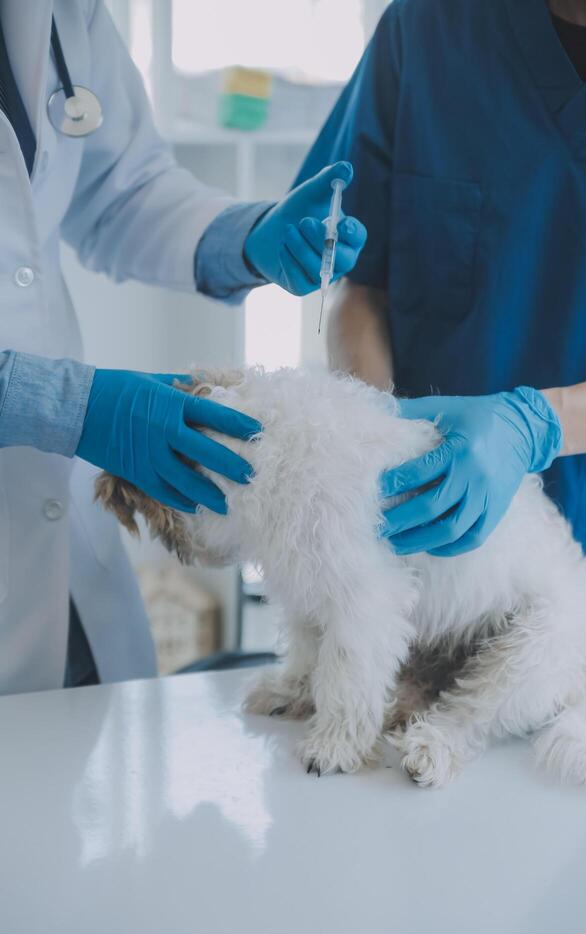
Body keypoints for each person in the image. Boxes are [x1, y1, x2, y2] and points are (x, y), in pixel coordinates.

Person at [0, 2, 366, 695]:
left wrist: (245, 238)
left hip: (53, 552)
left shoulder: (58, 13)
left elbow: (120, 189)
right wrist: (59, 406)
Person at [295, 0, 586, 625]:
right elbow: (361, 285)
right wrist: (378, 437)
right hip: (424, 557)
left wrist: (534, 425)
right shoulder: (427, 29)